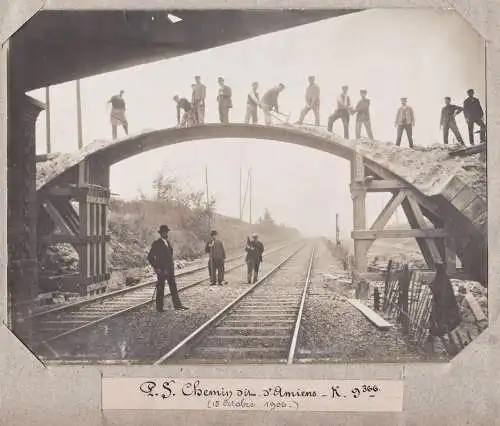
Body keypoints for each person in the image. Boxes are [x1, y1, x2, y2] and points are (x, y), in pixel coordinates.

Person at [147, 225, 188, 312]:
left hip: (169, 269)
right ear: (161, 233)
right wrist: (156, 267)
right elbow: (150, 257)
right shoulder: (156, 243)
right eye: (164, 232)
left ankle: (178, 305)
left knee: (173, 287)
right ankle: (159, 308)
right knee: (161, 288)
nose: (165, 233)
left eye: (166, 232)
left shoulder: (167, 242)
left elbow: (169, 256)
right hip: (161, 269)